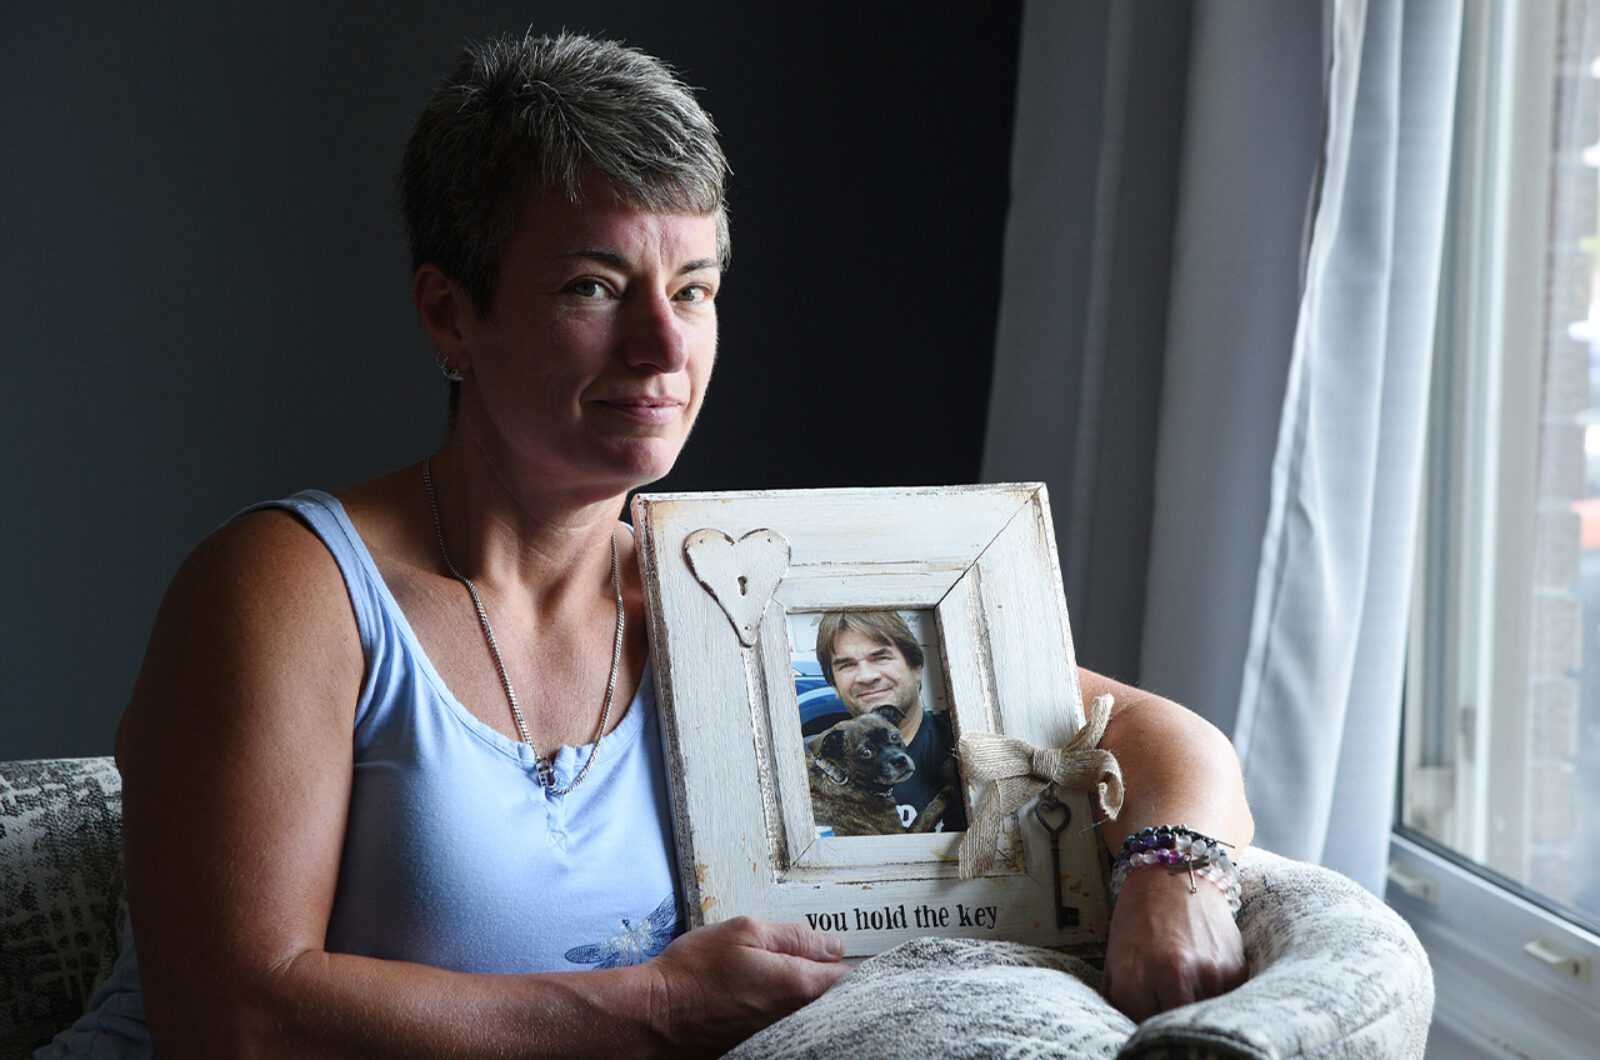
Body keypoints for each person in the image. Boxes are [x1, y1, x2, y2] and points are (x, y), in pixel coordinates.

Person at [44, 30, 1253, 1058]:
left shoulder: (740, 596)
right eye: (592, 285)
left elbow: (1155, 735)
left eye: (694, 289)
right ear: (447, 312)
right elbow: (235, 1021)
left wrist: (1171, 868)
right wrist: (656, 1006)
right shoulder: (291, 588)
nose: (663, 352)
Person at [812, 610, 965, 832]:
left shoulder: (963, 753)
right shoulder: (813, 774)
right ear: (834, 685)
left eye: (880, 657)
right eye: (846, 665)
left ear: (916, 667)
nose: (866, 676)